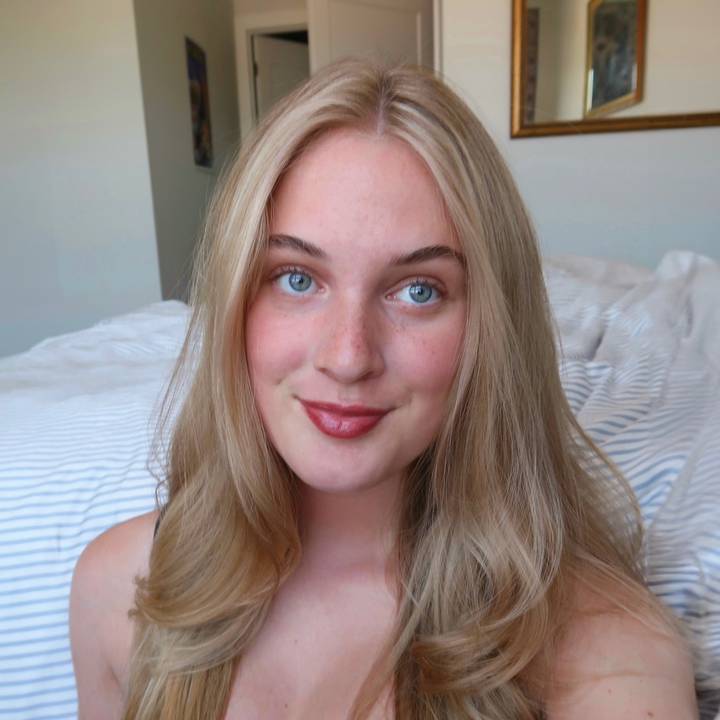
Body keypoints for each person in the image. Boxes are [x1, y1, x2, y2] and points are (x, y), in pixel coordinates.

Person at [69, 57, 699, 720]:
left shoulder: (611, 656)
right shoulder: (118, 590)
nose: (348, 358)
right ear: (234, 305)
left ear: (492, 329)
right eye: (296, 278)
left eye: (418, 290)